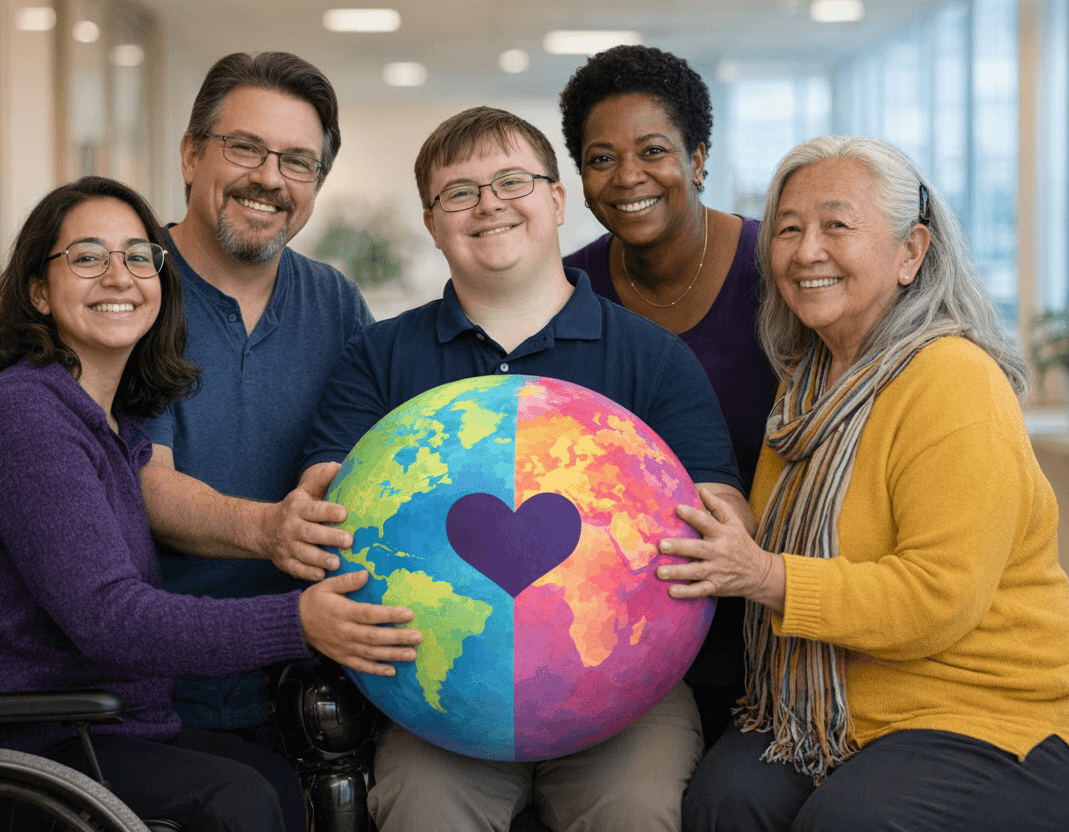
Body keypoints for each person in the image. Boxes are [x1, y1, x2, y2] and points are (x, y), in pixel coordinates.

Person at [301, 106, 754, 832]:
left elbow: (724, 509)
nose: (488, 205)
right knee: (422, 812)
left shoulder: (652, 357)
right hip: (437, 694)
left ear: (556, 199)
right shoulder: (377, 358)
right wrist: (304, 512)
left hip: (624, 691)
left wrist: (724, 534)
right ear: (430, 219)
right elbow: (320, 506)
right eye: (460, 192)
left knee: (636, 812)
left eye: (513, 180)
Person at [662, 136, 1069, 832]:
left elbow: (939, 597)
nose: (806, 250)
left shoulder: (954, 380)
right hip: (838, 712)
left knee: (851, 822)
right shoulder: (805, 387)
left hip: (998, 715)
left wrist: (765, 576)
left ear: (911, 253)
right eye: (788, 228)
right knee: (723, 802)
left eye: (837, 225)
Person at [0, 176, 324, 832]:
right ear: (39, 290)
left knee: (277, 781)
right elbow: (111, 620)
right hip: (38, 750)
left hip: (112, 728)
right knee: (241, 800)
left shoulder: (107, 425)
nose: (119, 275)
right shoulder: (26, 417)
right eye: (88, 257)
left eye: (139, 256)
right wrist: (302, 622)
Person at [136, 52, 409, 751]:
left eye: (298, 161)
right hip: (160, 682)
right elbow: (147, 485)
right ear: (191, 154)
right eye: (245, 148)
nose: (269, 178)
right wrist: (271, 530)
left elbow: (385, 462)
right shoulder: (134, 290)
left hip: (310, 678)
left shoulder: (337, 302)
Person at [558, 44, 777, 741]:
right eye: (600, 158)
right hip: (618, 622)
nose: (628, 177)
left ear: (699, 158)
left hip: (772, 608)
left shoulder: (781, 271)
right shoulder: (563, 291)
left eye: (653, 150)